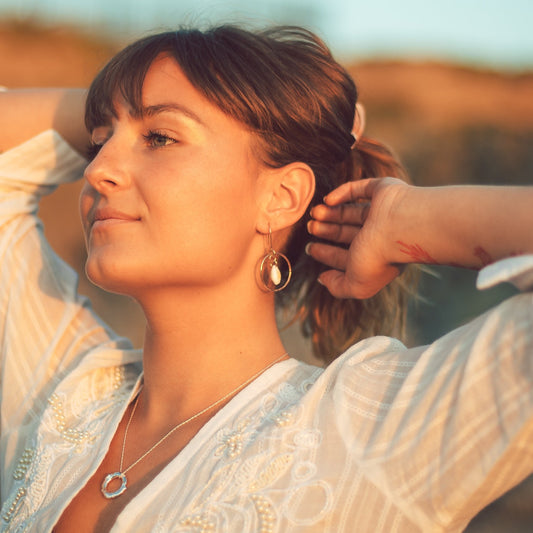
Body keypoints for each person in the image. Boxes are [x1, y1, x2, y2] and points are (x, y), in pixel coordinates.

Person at [0, 25, 531, 533]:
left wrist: (413, 221)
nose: (96, 170)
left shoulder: (369, 434)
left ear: (281, 198)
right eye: (99, 143)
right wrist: (120, 100)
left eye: (160, 137)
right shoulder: (60, 387)